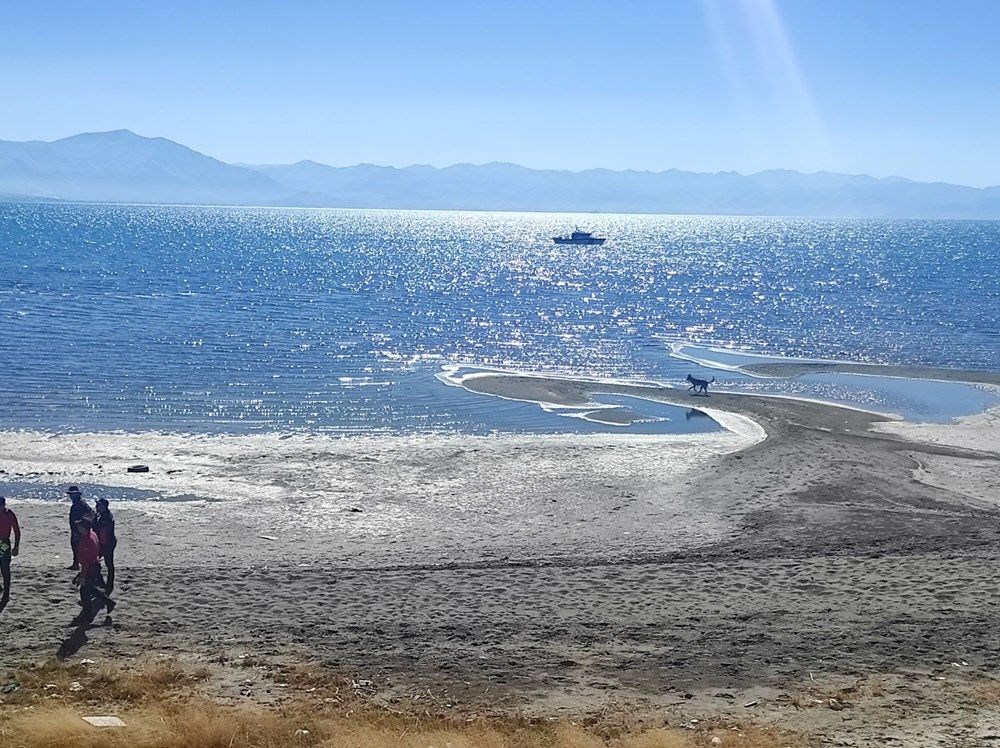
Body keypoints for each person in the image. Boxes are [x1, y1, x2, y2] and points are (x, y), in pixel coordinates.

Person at [74, 514, 114, 620]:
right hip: (95, 565)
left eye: (79, 526)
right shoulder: (93, 534)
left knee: (84, 591)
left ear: (83, 528)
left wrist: (82, 575)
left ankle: (87, 615)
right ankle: (109, 602)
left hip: (90, 567)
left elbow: (86, 562)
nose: (77, 527)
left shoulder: (87, 540)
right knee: (90, 588)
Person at [94, 498, 117, 594]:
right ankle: (101, 582)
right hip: (102, 543)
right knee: (95, 562)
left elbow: (102, 529)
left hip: (107, 543)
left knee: (108, 563)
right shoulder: (101, 515)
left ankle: (109, 583)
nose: (97, 507)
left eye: (99, 505)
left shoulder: (107, 517)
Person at [0, 496, 20, 602]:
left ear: (4, 505)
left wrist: (16, 546)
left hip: (4, 543)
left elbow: (17, 531)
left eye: (1, 506)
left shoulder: (9, 514)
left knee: (5, 568)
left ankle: (6, 591)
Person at [67, 486, 92, 571]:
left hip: (80, 530)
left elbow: (90, 515)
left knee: (80, 547)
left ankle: (80, 564)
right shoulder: (76, 503)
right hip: (75, 529)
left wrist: (81, 522)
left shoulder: (81, 504)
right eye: (70, 494)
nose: (71, 496)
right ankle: (76, 563)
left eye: (73, 494)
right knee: (75, 547)